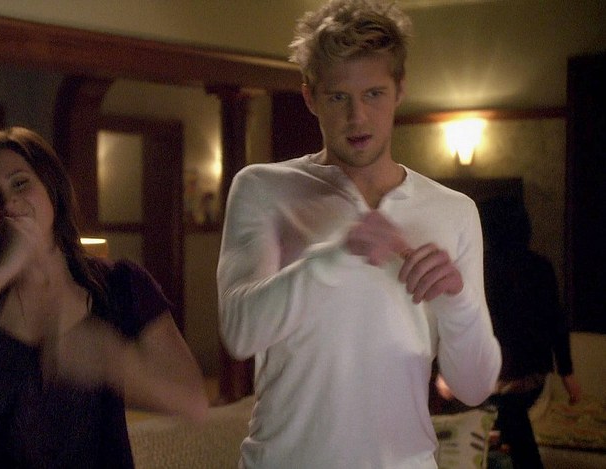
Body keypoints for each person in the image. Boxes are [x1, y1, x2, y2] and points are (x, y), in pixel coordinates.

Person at [216, 1, 501, 467]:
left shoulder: (453, 211)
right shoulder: (262, 188)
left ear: (399, 90)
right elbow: (241, 331)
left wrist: (457, 301)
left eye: (373, 94)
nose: (358, 117)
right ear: (310, 97)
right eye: (338, 97)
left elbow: (474, 387)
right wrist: (335, 256)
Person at [0, 127, 208, 468]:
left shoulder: (121, 284)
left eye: (20, 183)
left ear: (50, 187)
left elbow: (193, 400)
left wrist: (112, 360)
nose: (7, 203)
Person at [479, 196, 581, 469]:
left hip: (506, 374)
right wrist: (567, 373)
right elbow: (556, 322)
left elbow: (554, 321)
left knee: (507, 416)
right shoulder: (539, 266)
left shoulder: (482, 267)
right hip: (523, 372)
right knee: (510, 420)